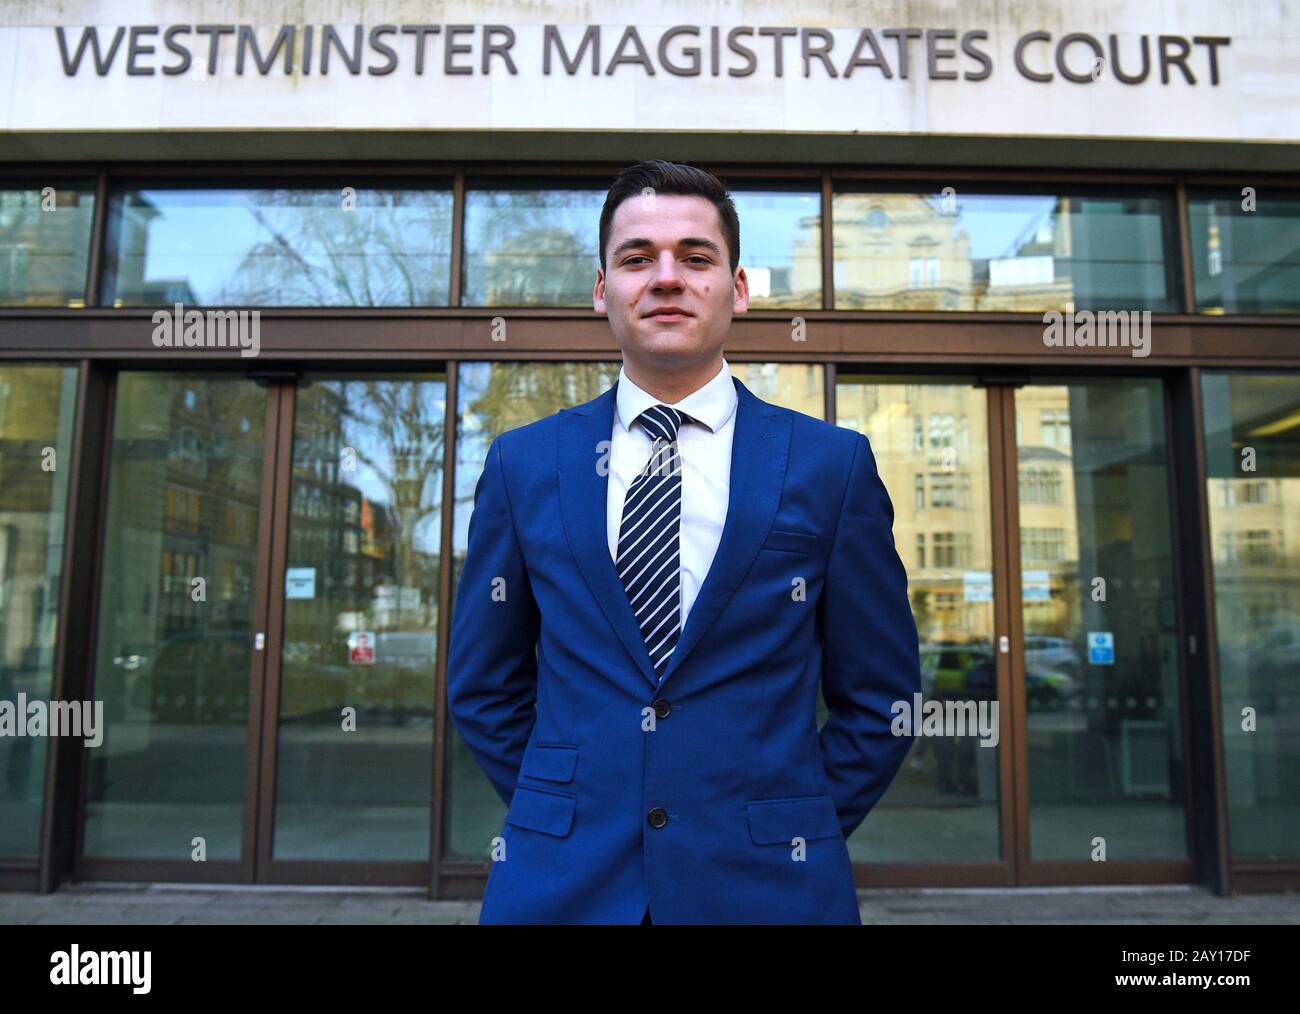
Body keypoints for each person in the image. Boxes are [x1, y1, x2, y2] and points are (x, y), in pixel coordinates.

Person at [447, 159, 921, 924]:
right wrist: (564, 802)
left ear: (737, 289)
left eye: (695, 257)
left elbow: (881, 697)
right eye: (637, 258)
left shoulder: (832, 466)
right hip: (561, 885)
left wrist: (794, 817)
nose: (666, 277)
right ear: (603, 290)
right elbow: (482, 685)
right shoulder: (523, 464)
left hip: (772, 887)